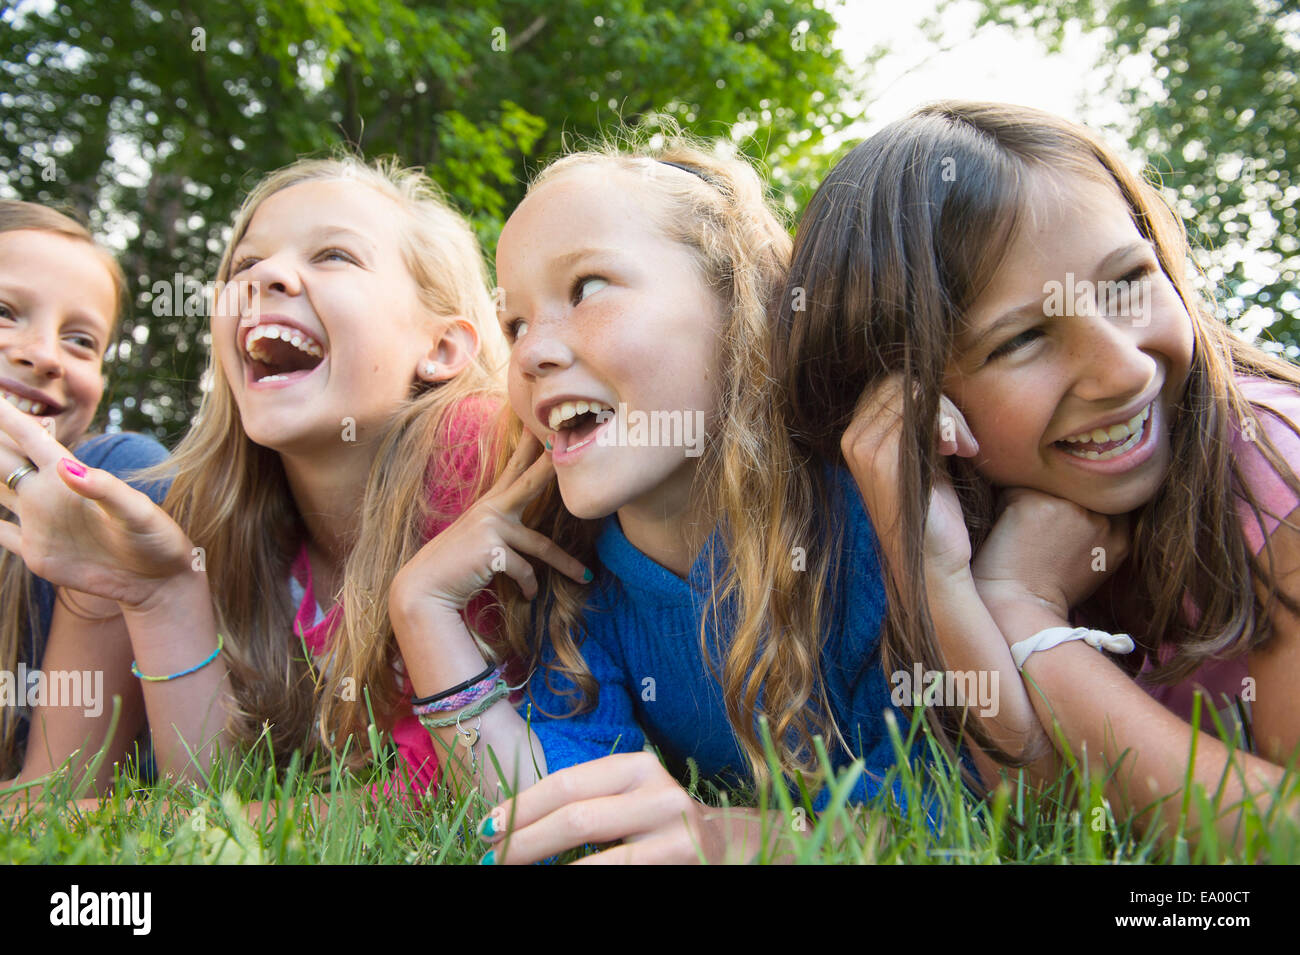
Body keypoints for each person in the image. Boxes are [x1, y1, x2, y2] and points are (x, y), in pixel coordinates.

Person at [775, 100, 1300, 846]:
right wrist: (940, 578)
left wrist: (1023, 612)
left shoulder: (1273, 470)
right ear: (916, 408)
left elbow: (1279, 837)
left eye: (1127, 281)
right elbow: (1042, 820)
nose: (1123, 369)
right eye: (1022, 338)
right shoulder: (971, 517)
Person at [389, 138, 912, 864]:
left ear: (743, 307)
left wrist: (728, 837)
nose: (532, 352)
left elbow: (967, 807)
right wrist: (421, 607)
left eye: (588, 288)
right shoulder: (584, 588)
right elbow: (548, 813)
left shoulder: (863, 525)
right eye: (515, 324)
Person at [0, 158, 504, 798]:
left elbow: (473, 785)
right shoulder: (232, 519)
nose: (265, 275)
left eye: (334, 256)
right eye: (244, 267)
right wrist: (162, 595)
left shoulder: (477, 450)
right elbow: (212, 799)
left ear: (440, 349)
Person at [0, 200, 170, 792]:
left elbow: (52, 805)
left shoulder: (114, 480)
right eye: (4, 312)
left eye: (80, 341)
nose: (44, 355)